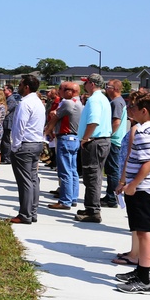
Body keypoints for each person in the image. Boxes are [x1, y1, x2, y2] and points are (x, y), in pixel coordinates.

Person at [113, 93, 150, 294]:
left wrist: (133, 184)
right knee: (142, 230)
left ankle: (144, 279)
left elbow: (149, 163)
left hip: (143, 189)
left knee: (145, 233)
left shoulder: (144, 132)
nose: (130, 110)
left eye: (133, 108)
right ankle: (139, 272)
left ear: (144, 111)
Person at [74, 74, 113, 224]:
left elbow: (94, 121)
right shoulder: (103, 98)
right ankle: (91, 207)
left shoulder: (94, 100)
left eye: (87, 82)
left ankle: (93, 210)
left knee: (92, 177)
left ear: (92, 84)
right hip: (101, 140)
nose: (85, 85)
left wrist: (85, 138)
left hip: (95, 141)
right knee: (94, 176)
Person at [7, 74, 46, 225]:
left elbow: (19, 127)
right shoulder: (38, 102)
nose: (18, 86)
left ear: (27, 87)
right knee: (33, 179)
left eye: (21, 84)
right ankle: (32, 211)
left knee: (25, 182)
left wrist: (15, 146)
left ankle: (25, 214)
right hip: (36, 143)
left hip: (25, 145)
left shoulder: (24, 103)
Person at [45, 81, 82, 210]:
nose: (59, 91)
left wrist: (48, 130)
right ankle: (72, 197)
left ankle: (65, 200)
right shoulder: (79, 103)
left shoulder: (67, 103)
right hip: (74, 138)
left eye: (62, 89)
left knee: (64, 170)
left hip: (65, 138)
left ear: (70, 92)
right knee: (72, 170)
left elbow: (55, 117)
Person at [102, 79, 128, 207]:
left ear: (116, 89)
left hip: (114, 140)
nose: (106, 89)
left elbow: (116, 121)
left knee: (112, 170)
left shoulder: (116, 102)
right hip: (116, 140)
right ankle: (110, 195)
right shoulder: (117, 101)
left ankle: (111, 198)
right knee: (111, 169)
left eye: (109, 86)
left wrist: (108, 134)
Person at [0, 84, 20, 164]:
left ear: (10, 91)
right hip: (4, 122)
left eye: (4, 90)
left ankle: (7, 158)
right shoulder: (7, 99)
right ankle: (3, 156)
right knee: (2, 140)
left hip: (7, 122)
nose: (3, 91)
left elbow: (5, 110)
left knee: (6, 141)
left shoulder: (11, 100)